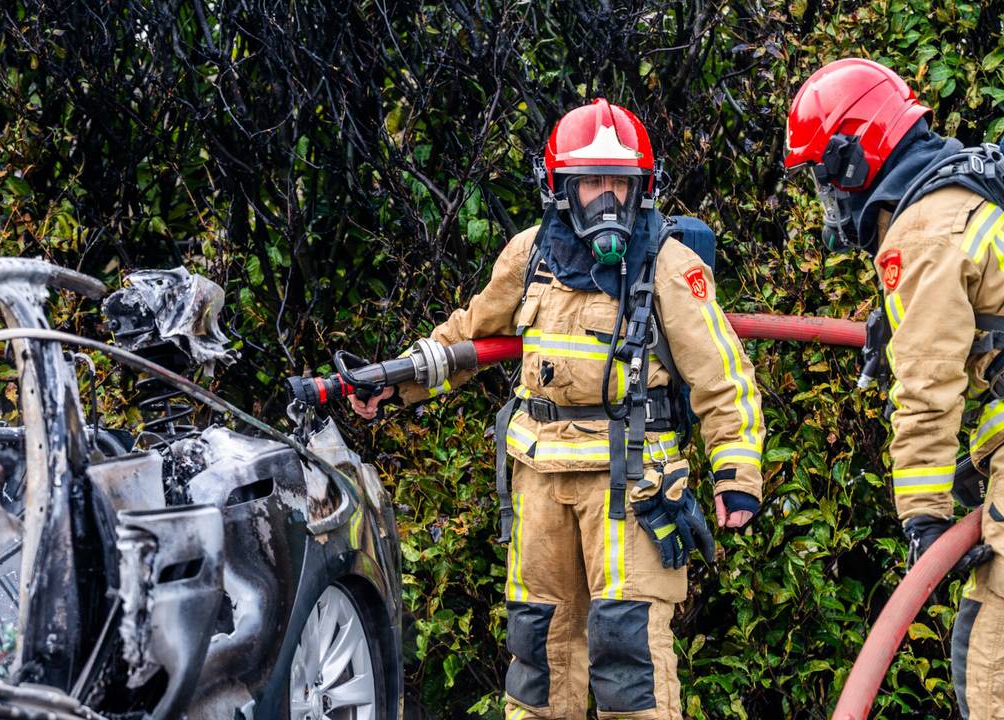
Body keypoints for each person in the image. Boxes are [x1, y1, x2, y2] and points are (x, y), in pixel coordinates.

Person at [353, 99, 764, 720]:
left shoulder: (670, 266)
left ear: (641, 190)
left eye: (619, 185)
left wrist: (737, 475)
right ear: (559, 188)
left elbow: (724, 380)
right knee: (539, 653)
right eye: (591, 182)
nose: (607, 200)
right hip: (539, 483)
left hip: (630, 487)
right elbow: (469, 335)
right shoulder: (530, 255)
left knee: (630, 659)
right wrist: (398, 382)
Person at [783, 57, 1001, 717]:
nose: (828, 203)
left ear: (854, 161)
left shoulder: (924, 231)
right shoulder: (964, 191)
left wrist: (925, 516)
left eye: (824, 180)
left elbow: (927, 388)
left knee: (990, 671)